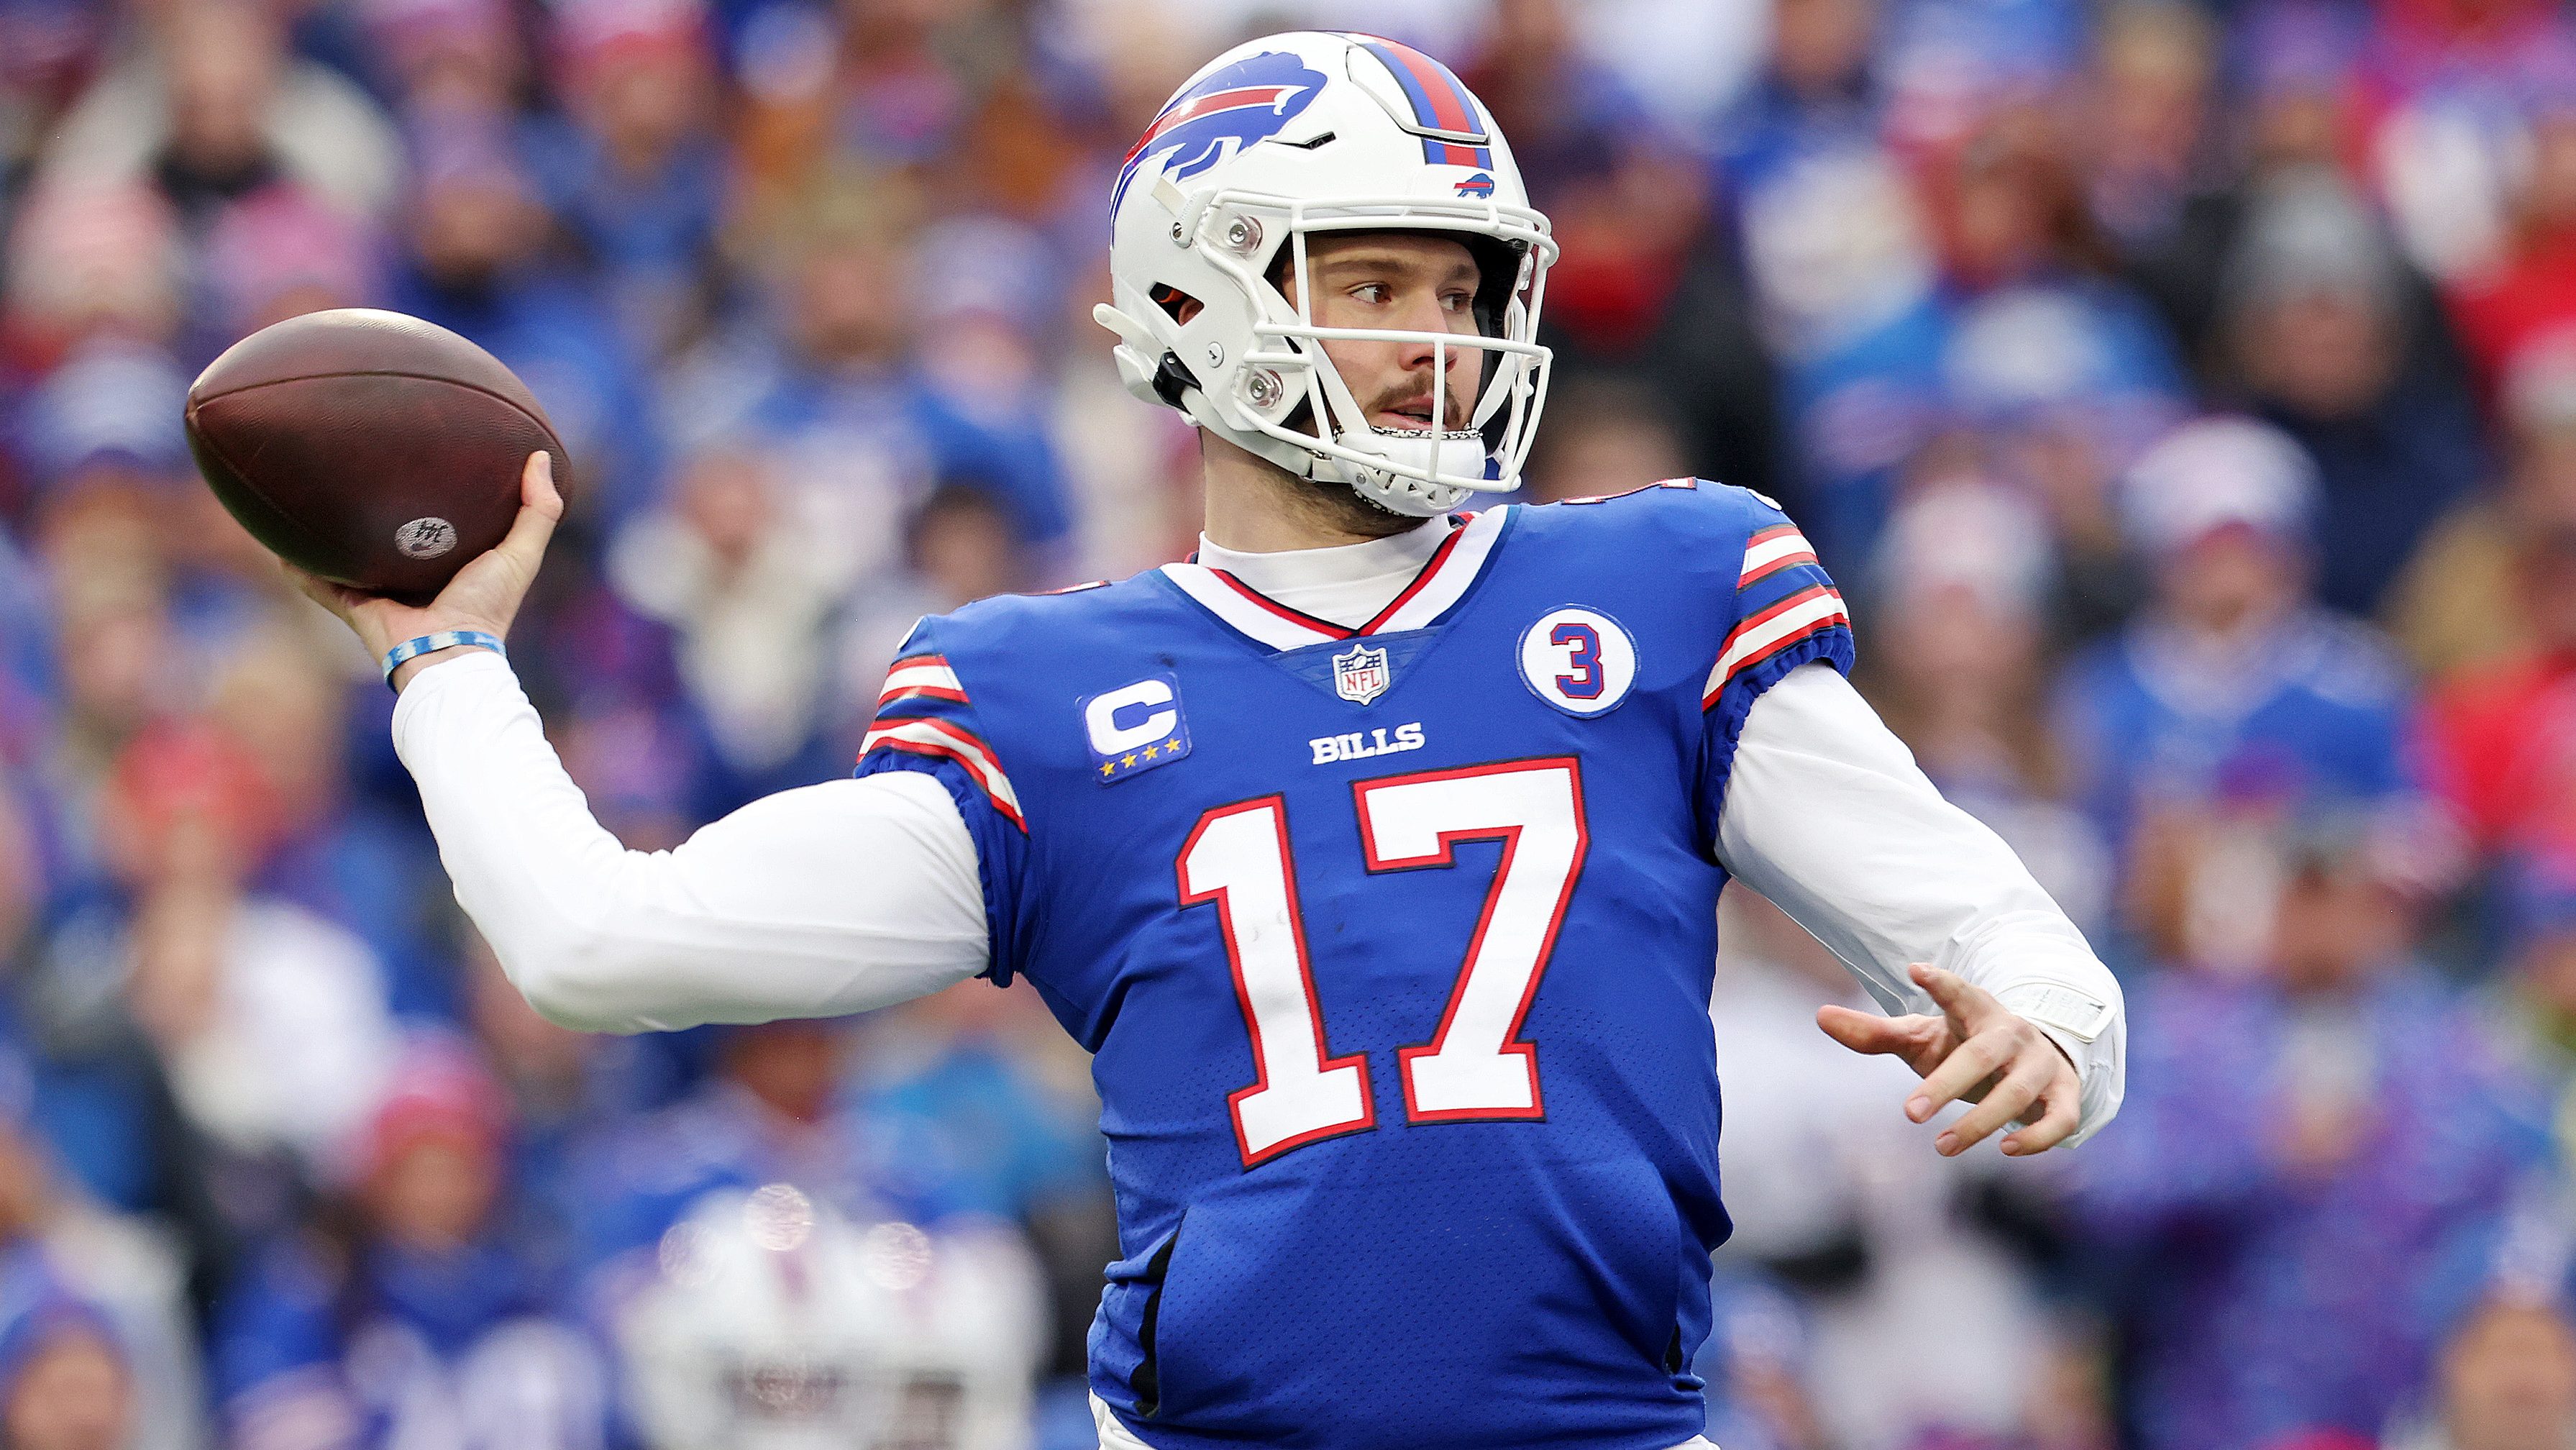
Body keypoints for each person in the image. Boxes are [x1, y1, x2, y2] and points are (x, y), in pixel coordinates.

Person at [291, 32, 2124, 1450]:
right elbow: (602, 946)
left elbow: (2011, 943)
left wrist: (2048, 1031)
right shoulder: (1051, 700)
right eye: (1377, 282)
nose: (1437, 341)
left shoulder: (1656, 586)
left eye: (1464, 292)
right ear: (1196, 296)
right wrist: (447, 661)